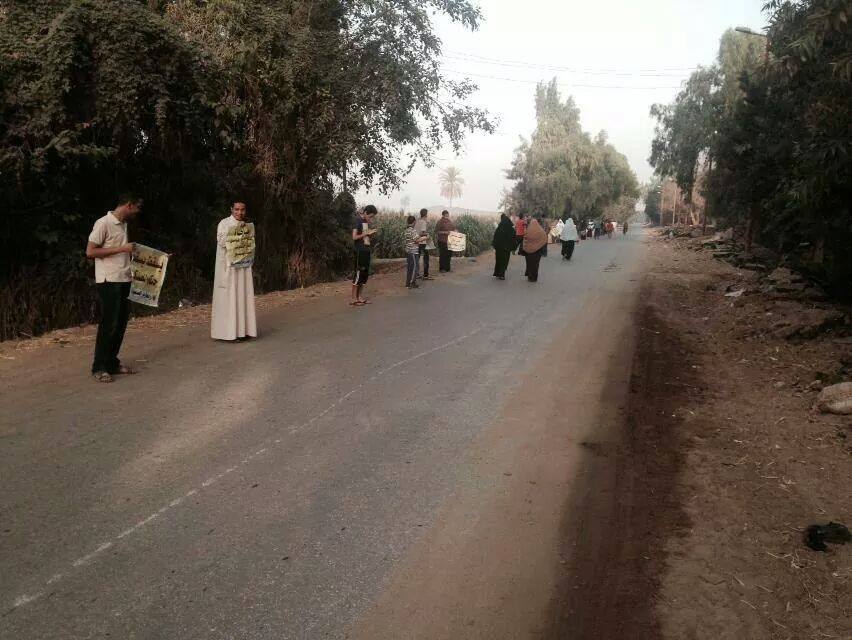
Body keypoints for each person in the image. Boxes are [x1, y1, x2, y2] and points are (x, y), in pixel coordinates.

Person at [86, 194, 142, 382]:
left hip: (125, 278)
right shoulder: (103, 223)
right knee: (109, 324)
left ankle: (112, 362)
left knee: (120, 324)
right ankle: (98, 367)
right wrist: (122, 249)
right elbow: (90, 251)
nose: (138, 211)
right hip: (108, 280)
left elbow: (128, 250)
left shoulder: (124, 224)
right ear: (129, 205)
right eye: (137, 207)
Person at [212, 202, 258, 341]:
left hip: (243, 267)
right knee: (230, 297)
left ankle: (244, 331)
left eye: (242, 209)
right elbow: (221, 242)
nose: (239, 212)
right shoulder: (224, 223)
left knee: (244, 294)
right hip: (229, 267)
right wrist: (236, 231)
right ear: (231, 209)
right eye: (237, 209)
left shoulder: (247, 225)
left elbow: (250, 244)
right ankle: (228, 333)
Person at [351, 204, 378, 305]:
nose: (371, 219)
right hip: (360, 251)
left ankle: (360, 297)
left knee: (364, 274)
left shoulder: (365, 222)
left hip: (366, 250)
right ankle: (353, 299)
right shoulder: (357, 220)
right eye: (370, 216)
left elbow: (365, 237)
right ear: (365, 213)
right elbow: (354, 237)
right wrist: (366, 233)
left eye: (373, 217)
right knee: (358, 274)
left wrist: (371, 234)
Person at [522, 217, 548, 282]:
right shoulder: (540, 230)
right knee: (536, 264)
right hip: (538, 251)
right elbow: (544, 237)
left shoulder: (529, 230)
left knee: (529, 264)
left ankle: (530, 276)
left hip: (529, 251)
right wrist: (540, 244)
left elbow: (525, 238)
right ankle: (534, 278)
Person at [404, 215, 427, 288]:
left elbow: (413, 238)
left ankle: (408, 283)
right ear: (414, 222)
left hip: (409, 251)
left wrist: (420, 237)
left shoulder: (407, 230)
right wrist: (425, 238)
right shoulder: (412, 230)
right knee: (414, 267)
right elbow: (416, 240)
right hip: (413, 251)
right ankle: (412, 283)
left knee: (410, 268)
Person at [492, 213, 515, 280]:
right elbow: (514, 239)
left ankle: (497, 273)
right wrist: (513, 248)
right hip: (506, 249)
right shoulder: (511, 229)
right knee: (504, 261)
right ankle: (502, 274)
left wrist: (494, 246)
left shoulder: (499, 228)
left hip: (499, 248)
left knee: (498, 260)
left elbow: (495, 237)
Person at [415, 208, 432, 280]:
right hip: (423, 242)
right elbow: (422, 233)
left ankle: (416, 274)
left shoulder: (417, 221)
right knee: (426, 259)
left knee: (417, 258)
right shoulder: (423, 222)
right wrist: (427, 235)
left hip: (417, 242)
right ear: (426, 214)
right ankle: (425, 275)